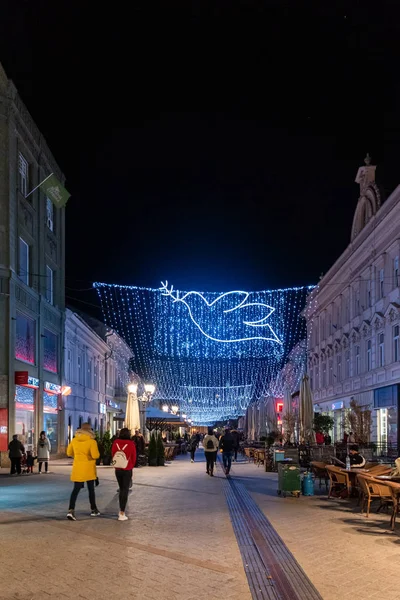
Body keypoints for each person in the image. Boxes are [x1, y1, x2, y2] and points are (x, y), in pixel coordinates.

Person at [66, 422, 100, 521]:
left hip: (78, 468)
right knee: (91, 490)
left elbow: (69, 452)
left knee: (75, 490)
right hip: (89, 468)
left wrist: (77, 457)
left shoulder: (74, 440)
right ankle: (93, 509)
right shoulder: (91, 442)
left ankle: (71, 510)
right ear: (90, 431)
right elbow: (95, 455)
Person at [112, 427, 136, 521]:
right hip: (127, 468)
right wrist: (131, 465)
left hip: (118, 468)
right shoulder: (131, 444)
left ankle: (121, 510)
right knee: (125, 490)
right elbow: (134, 456)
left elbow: (113, 453)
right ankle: (122, 512)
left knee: (121, 488)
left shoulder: (115, 442)